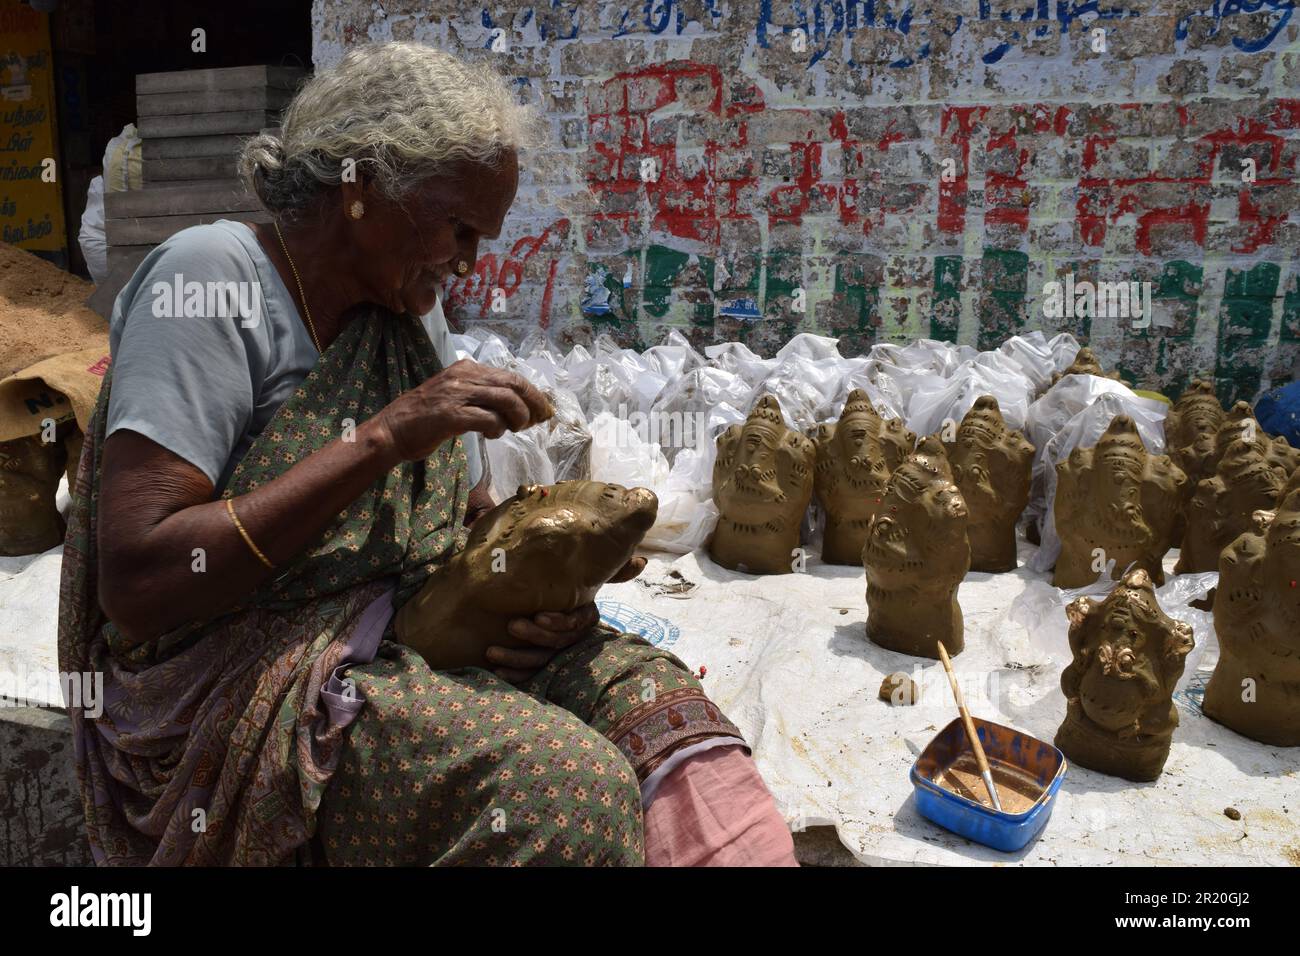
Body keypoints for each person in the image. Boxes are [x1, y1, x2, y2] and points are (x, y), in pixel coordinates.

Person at [58, 41, 796, 866]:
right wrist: (380, 438)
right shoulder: (208, 279)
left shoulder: (406, 307)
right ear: (363, 190)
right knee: (559, 789)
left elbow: (461, 523)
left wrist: (547, 598)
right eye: (459, 227)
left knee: (660, 706)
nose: (471, 262)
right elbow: (142, 581)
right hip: (244, 672)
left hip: (403, 635)